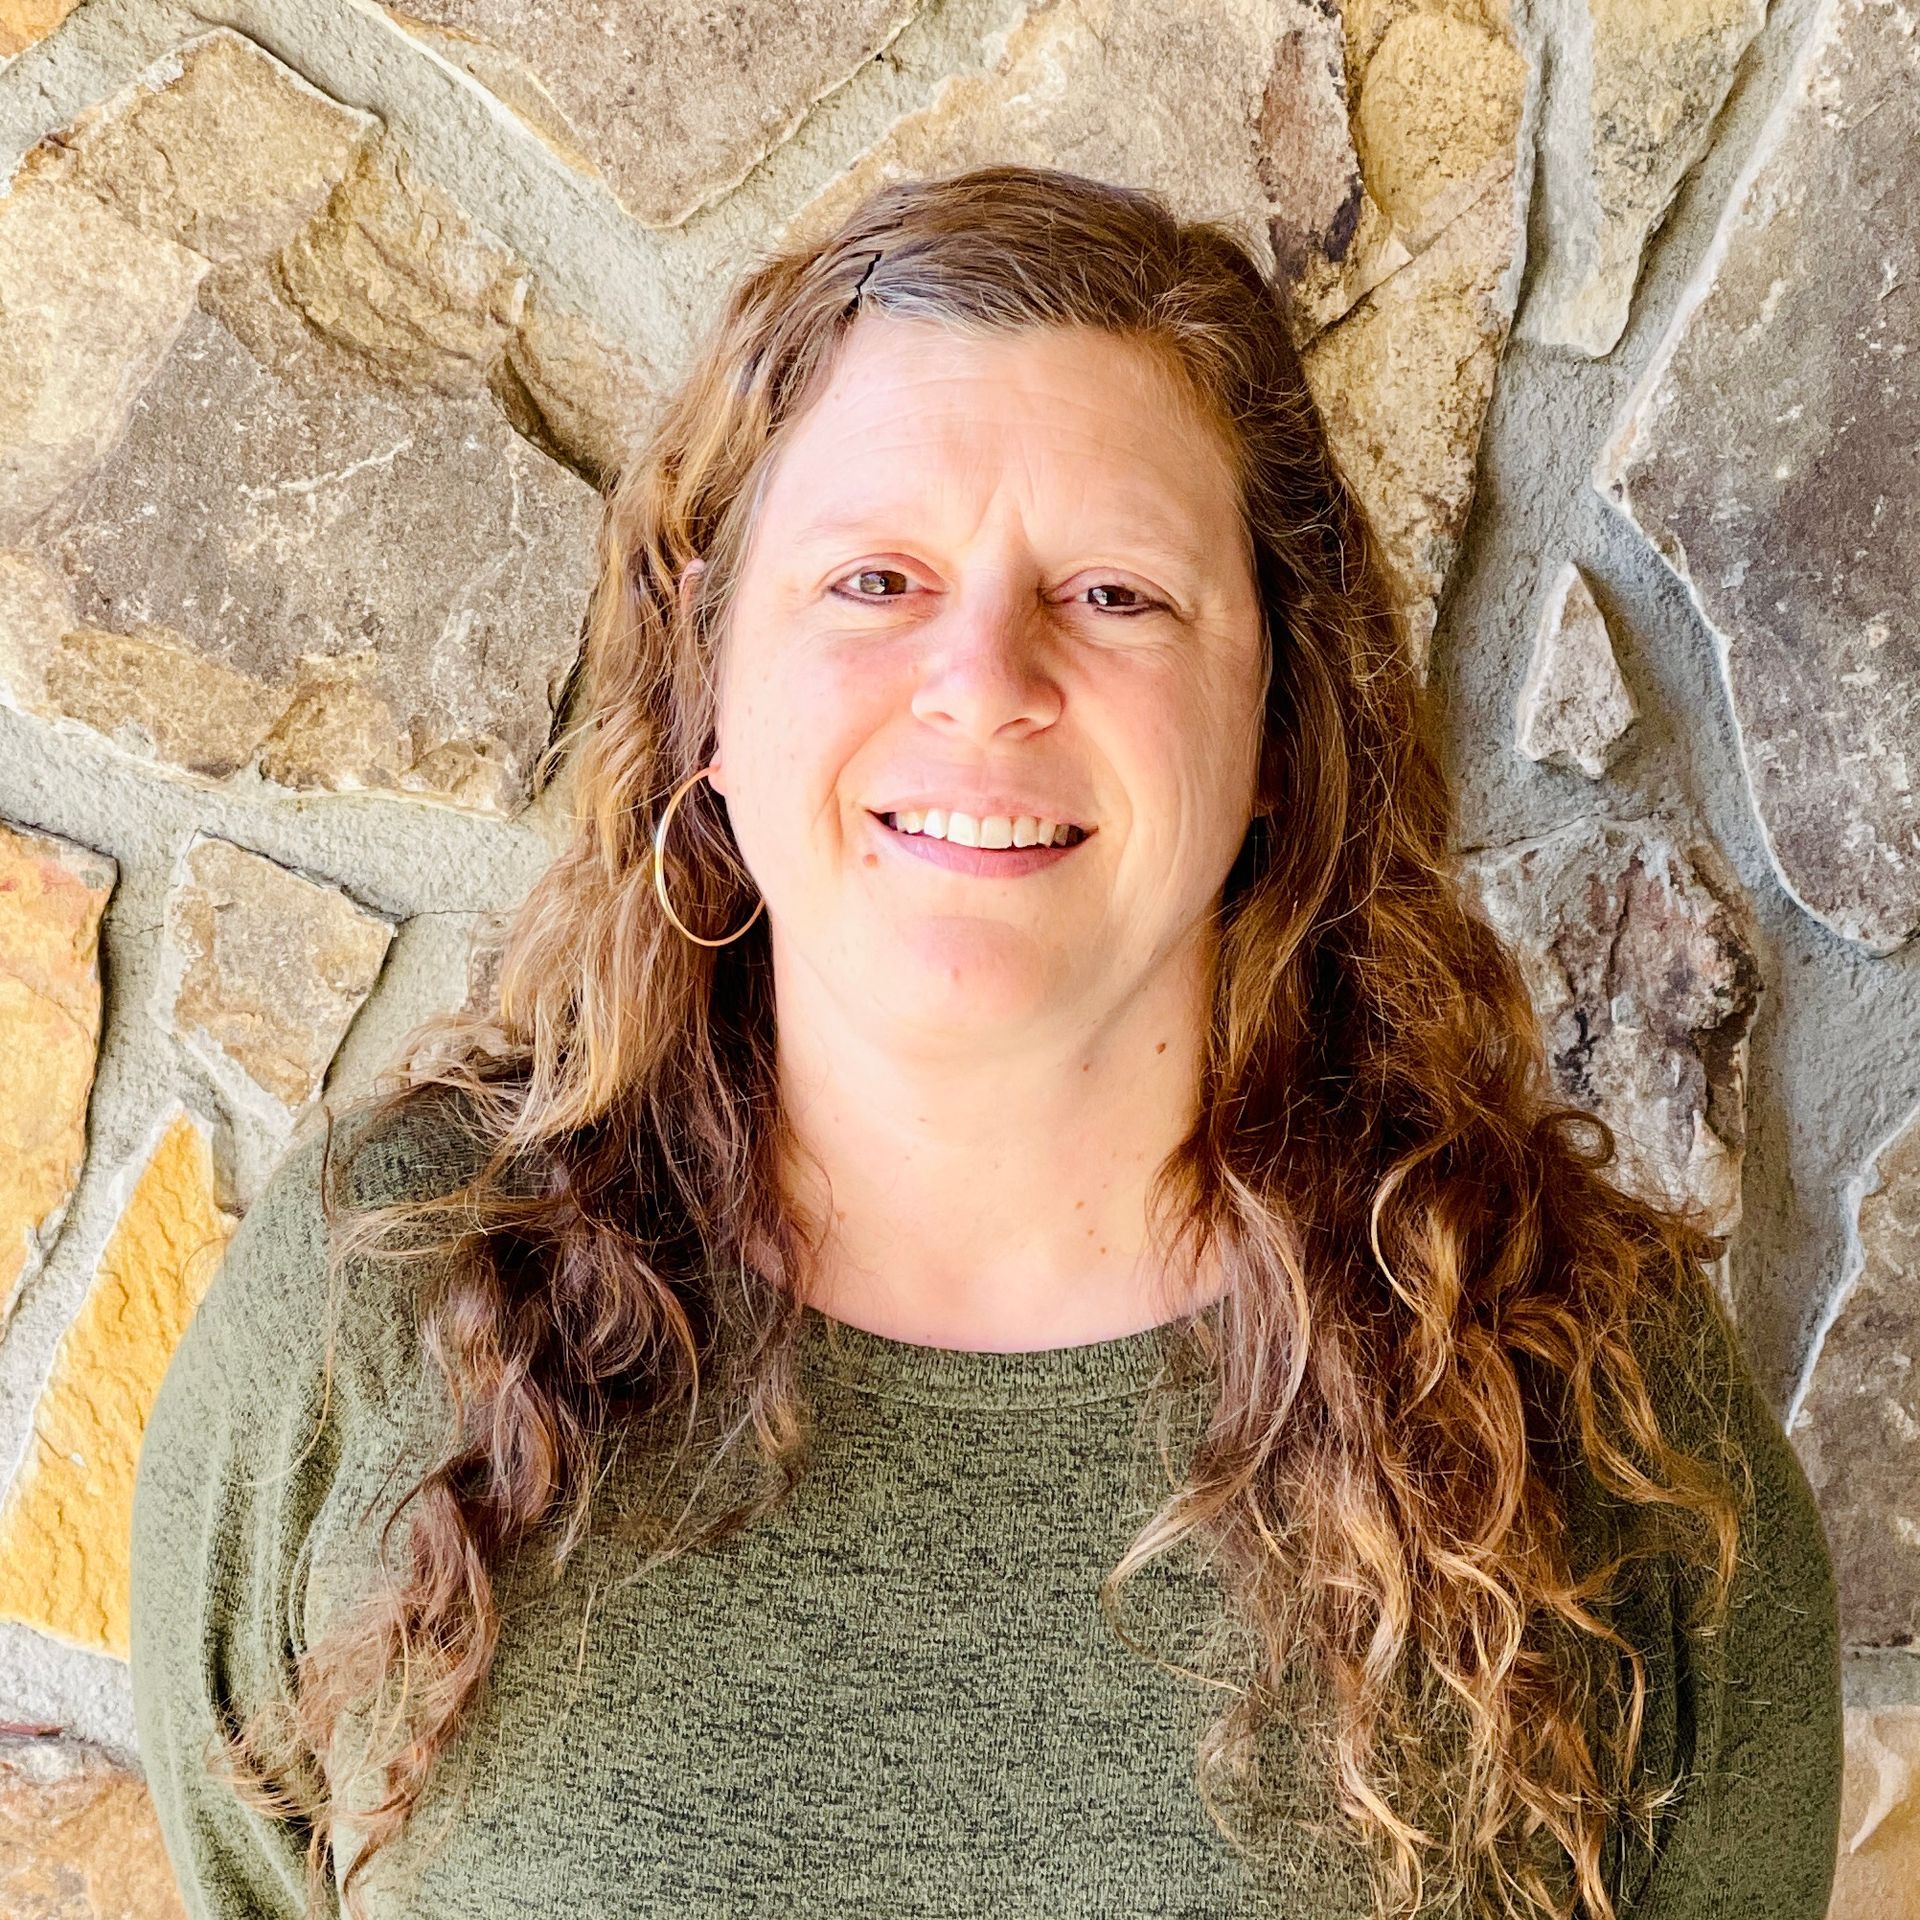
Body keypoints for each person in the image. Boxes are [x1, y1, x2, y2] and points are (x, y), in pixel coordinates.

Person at [128, 163, 1842, 1920]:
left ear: (1276, 719)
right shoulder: (384, 1291)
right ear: (713, 684)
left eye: (1115, 596)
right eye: (875, 579)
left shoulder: (1593, 1407)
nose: (983, 677)